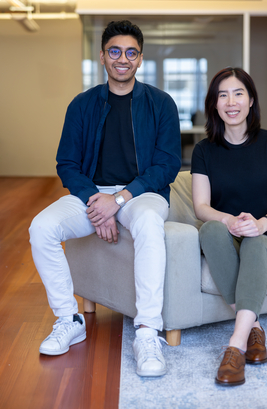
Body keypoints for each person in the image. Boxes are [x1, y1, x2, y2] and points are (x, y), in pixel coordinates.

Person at [29, 20, 181, 377]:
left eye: (131, 52)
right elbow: (66, 163)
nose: (122, 59)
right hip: (92, 194)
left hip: (142, 194)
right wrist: (97, 201)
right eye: (115, 51)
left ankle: (146, 331)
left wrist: (122, 198)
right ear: (102, 56)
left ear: (140, 59)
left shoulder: (160, 104)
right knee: (41, 227)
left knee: (146, 221)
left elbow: (168, 164)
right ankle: (69, 318)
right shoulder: (82, 106)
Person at [191, 67, 267, 386]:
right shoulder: (204, 151)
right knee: (208, 230)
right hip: (228, 240)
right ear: (214, 104)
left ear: (251, 101)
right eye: (222, 95)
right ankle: (255, 328)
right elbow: (201, 207)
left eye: (238, 93)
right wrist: (229, 221)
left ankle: (235, 344)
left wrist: (261, 224)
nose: (230, 101)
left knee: (253, 241)